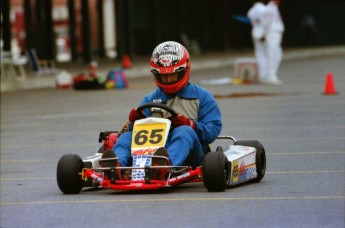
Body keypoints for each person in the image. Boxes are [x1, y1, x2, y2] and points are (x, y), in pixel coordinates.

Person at [103, 41, 222, 178]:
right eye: (164, 76)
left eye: (173, 75)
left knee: (184, 131)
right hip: (153, 153)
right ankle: (117, 167)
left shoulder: (202, 97)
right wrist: (135, 123)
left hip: (192, 155)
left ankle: (164, 166)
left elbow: (213, 130)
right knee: (126, 137)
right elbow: (138, 137)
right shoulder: (150, 99)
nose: (169, 80)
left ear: (184, 70)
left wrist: (191, 125)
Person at [247, 0, 268, 83]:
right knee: (266, 54)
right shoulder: (264, 9)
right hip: (263, 32)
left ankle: (261, 75)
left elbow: (250, 19)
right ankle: (265, 75)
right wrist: (264, 34)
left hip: (255, 31)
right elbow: (266, 22)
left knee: (259, 54)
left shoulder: (251, 10)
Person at [264, 0, 284, 85]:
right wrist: (264, 34)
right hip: (272, 33)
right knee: (271, 55)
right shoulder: (270, 8)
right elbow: (266, 22)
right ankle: (270, 76)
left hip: (276, 33)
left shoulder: (274, 7)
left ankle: (272, 75)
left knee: (278, 54)